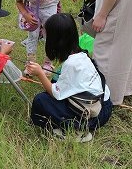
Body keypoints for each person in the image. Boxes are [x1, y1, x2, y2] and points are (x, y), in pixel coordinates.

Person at [26, 13, 112, 141]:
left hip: (93, 116)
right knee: (55, 81)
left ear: (55, 40)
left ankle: (76, 131)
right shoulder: (82, 55)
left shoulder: (71, 64)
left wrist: (39, 73)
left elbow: (55, 93)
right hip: (105, 104)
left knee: (41, 100)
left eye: (47, 34)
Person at [10, 0, 78, 75]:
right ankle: (30, 64)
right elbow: (19, 2)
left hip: (49, 7)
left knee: (49, 35)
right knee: (32, 36)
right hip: (33, 10)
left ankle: (48, 63)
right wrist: (25, 14)